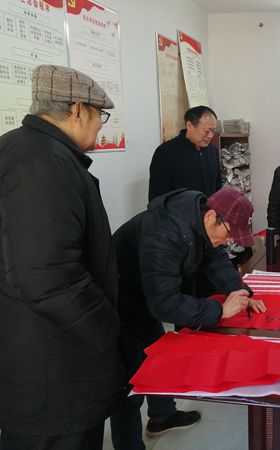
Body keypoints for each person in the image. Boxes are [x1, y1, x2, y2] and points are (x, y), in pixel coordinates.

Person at [0, 65, 123, 449]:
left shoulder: (19, 147)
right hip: (52, 369)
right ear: (76, 109)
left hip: (34, 351)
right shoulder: (44, 162)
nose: (100, 126)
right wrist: (108, 329)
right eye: (100, 115)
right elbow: (47, 277)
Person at [110, 187, 266, 450]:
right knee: (129, 378)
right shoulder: (164, 233)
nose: (229, 242)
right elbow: (165, 304)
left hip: (147, 294)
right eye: (229, 234)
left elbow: (216, 260)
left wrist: (240, 292)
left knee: (157, 357)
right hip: (119, 298)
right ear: (211, 217)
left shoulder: (201, 220)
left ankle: (162, 416)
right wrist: (220, 310)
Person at [148, 105, 222, 201]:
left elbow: (217, 187)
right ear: (189, 126)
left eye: (213, 131)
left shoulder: (212, 151)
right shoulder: (166, 152)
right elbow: (156, 198)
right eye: (207, 131)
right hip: (178, 210)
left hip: (208, 210)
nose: (210, 136)